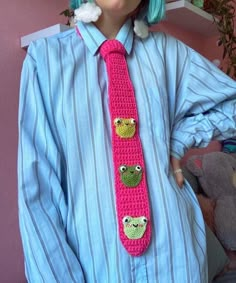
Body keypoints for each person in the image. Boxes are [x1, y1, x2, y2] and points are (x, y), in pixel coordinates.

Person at [18, 0, 236, 282]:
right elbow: (37, 191)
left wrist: (179, 140)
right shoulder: (45, 61)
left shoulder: (170, 53)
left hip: (176, 259)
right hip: (95, 265)